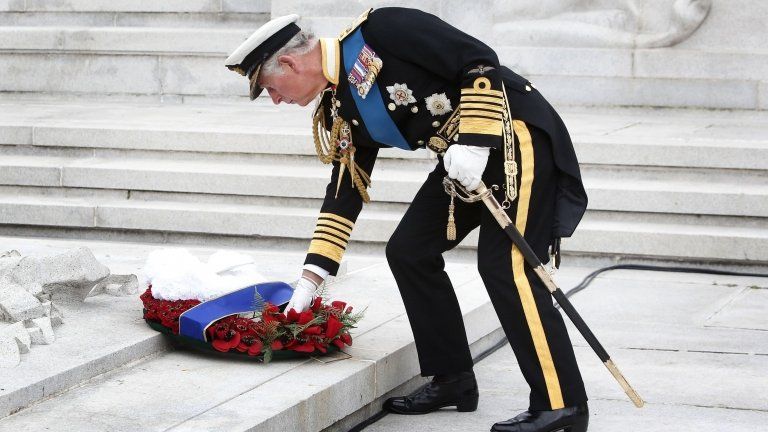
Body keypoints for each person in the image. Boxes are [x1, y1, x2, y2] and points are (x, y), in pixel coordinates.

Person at [224, 7, 589, 432]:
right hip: (460, 164)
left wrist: (474, 142)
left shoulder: (383, 29)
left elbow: (478, 60)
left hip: (512, 141)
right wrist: (311, 278)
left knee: (506, 267)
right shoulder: (340, 106)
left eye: (270, 87)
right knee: (409, 251)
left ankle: (562, 404)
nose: (276, 99)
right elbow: (344, 194)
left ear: (288, 63)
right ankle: (453, 378)